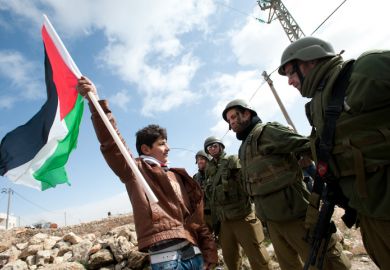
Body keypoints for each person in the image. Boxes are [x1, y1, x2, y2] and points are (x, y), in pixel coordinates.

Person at [76, 76, 218, 270]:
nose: (168, 148)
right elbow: (111, 143)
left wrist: (209, 252)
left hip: (195, 255)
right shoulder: (135, 171)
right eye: (162, 143)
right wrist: (95, 101)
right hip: (168, 261)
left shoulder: (177, 176)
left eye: (167, 142)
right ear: (146, 149)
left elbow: (196, 221)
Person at [278, 36, 390, 269]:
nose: (289, 82)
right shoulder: (319, 103)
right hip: (368, 212)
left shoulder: (365, 69)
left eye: (291, 72)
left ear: (310, 60)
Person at [222, 99, 351, 270]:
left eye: (233, 116)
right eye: (229, 120)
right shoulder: (243, 148)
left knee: (324, 263)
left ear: (247, 113)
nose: (232, 122)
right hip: (273, 223)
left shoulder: (267, 132)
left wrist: (335, 181)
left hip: (297, 217)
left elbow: (309, 147)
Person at [203, 136, 270, 270]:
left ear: (221, 146)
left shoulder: (232, 160)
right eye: (209, 147)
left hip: (242, 216)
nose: (212, 149)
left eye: (214, 146)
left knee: (257, 256)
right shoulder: (209, 169)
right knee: (230, 259)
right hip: (224, 222)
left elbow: (245, 182)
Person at [193, 150, 213, 231]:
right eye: (198, 160)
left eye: (202, 159)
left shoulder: (214, 173)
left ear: (208, 160)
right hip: (203, 213)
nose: (199, 161)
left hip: (217, 212)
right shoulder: (195, 177)